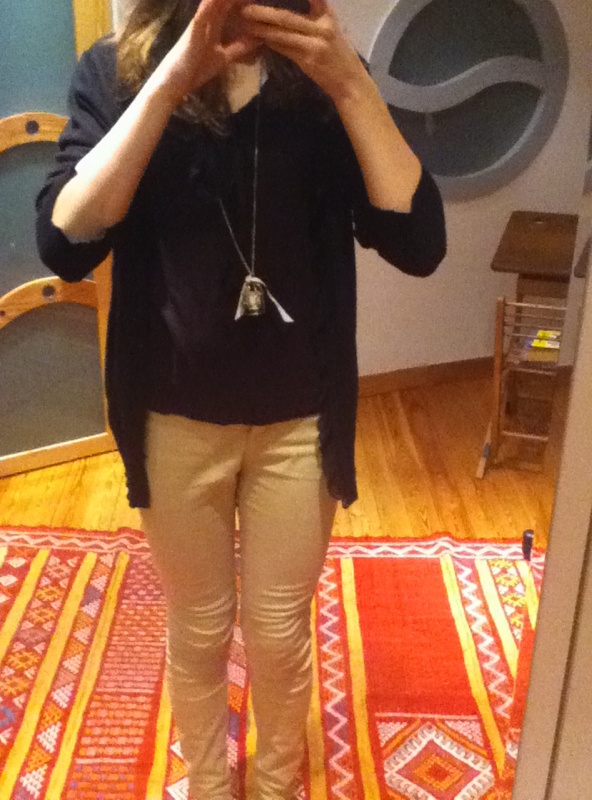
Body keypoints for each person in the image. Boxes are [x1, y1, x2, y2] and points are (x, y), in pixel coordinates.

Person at [36, 0, 446, 797]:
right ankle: (209, 782)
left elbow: (419, 242)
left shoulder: (324, 79)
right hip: (170, 414)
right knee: (198, 627)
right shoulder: (118, 72)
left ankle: (276, 782)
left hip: (300, 417)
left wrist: (350, 85)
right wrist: (168, 84)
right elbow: (66, 241)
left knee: (280, 634)